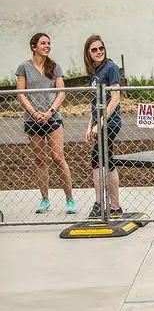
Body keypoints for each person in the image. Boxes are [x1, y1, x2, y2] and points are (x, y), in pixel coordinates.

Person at [15, 33, 76, 214]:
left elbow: (61, 92)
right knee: (40, 159)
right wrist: (33, 113)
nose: (47, 46)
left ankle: (70, 199)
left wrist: (50, 112)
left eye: (49, 43)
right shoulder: (23, 67)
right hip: (32, 119)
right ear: (34, 47)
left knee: (58, 158)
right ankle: (45, 200)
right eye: (43, 43)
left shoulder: (54, 66)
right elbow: (21, 93)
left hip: (53, 118)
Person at [83, 34, 122, 218]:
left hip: (111, 122)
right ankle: (115, 207)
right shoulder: (95, 72)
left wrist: (101, 123)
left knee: (97, 159)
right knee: (107, 160)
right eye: (94, 49)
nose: (99, 52)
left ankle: (100, 204)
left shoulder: (111, 68)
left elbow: (115, 97)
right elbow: (94, 103)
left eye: (101, 48)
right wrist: (90, 125)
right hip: (99, 123)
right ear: (88, 53)